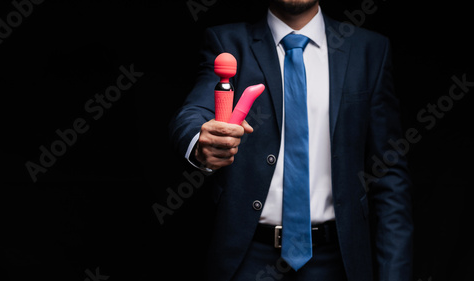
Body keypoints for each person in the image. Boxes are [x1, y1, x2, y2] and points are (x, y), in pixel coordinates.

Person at [169, 0, 413, 280]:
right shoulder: (227, 42)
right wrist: (201, 141)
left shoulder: (369, 49)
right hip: (247, 258)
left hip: (337, 260)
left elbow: (389, 173)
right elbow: (193, 112)